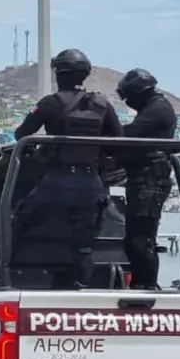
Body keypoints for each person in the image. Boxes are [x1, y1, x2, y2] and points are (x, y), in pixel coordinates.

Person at [12, 49, 124, 288]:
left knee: (17, 222)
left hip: (56, 181)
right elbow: (118, 140)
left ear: (59, 74)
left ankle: (2, 275)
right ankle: (81, 286)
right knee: (84, 243)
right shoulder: (102, 104)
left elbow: (22, 133)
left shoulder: (50, 103)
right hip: (90, 183)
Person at [115, 68, 177, 289]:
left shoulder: (158, 109)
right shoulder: (154, 107)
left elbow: (129, 134)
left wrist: (104, 131)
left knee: (141, 239)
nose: (129, 102)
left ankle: (146, 285)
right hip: (144, 178)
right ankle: (141, 284)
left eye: (129, 97)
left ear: (139, 92)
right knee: (135, 238)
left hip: (150, 179)